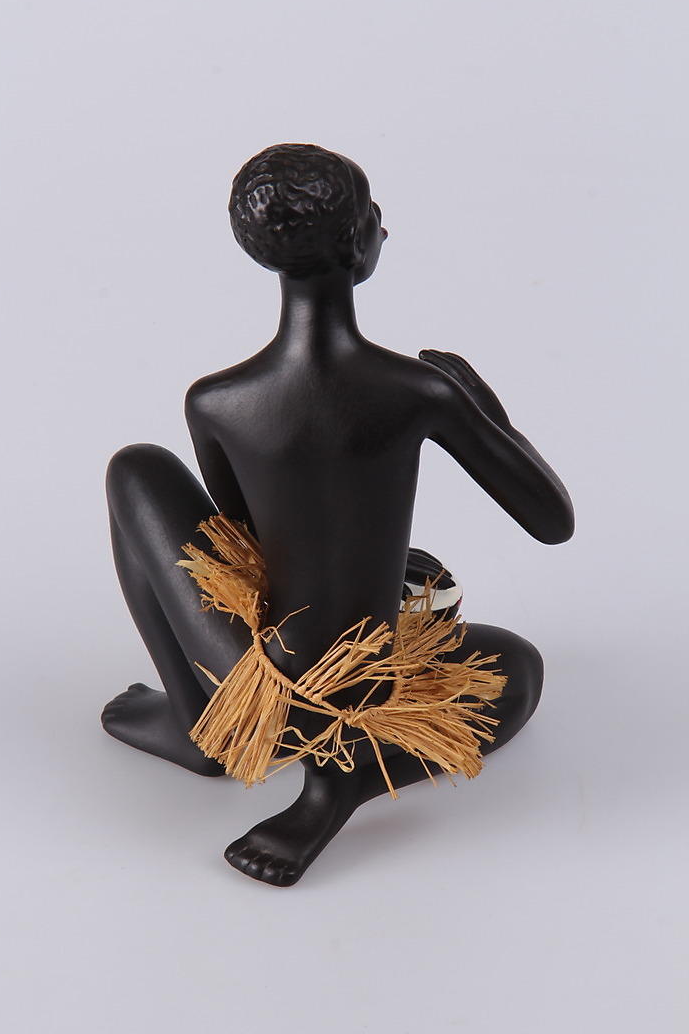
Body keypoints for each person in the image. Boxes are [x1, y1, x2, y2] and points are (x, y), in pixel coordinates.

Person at [102, 143, 574, 886]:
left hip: (255, 680)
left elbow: (245, 550)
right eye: (376, 216)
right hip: (364, 696)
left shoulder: (216, 401)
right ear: (362, 242)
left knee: (135, 469)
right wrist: (487, 413)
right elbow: (552, 521)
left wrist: (378, 558)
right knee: (519, 668)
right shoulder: (420, 391)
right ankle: (344, 781)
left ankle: (201, 724)